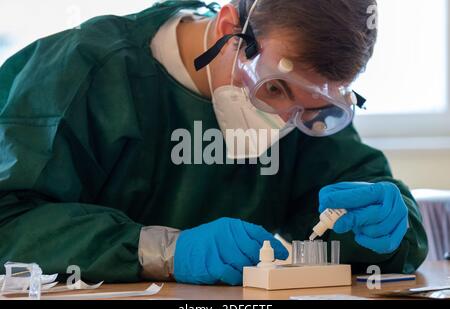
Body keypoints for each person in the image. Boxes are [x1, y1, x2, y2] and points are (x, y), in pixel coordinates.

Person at [0, 0, 428, 285]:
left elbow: (362, 200)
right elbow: (10, 224)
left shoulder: (306, 111)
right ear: (230, 28)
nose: (284, 121)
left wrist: (390, 231)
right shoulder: (87, 72)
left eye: (312, 108)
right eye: (275, 89)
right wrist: (165, 250)